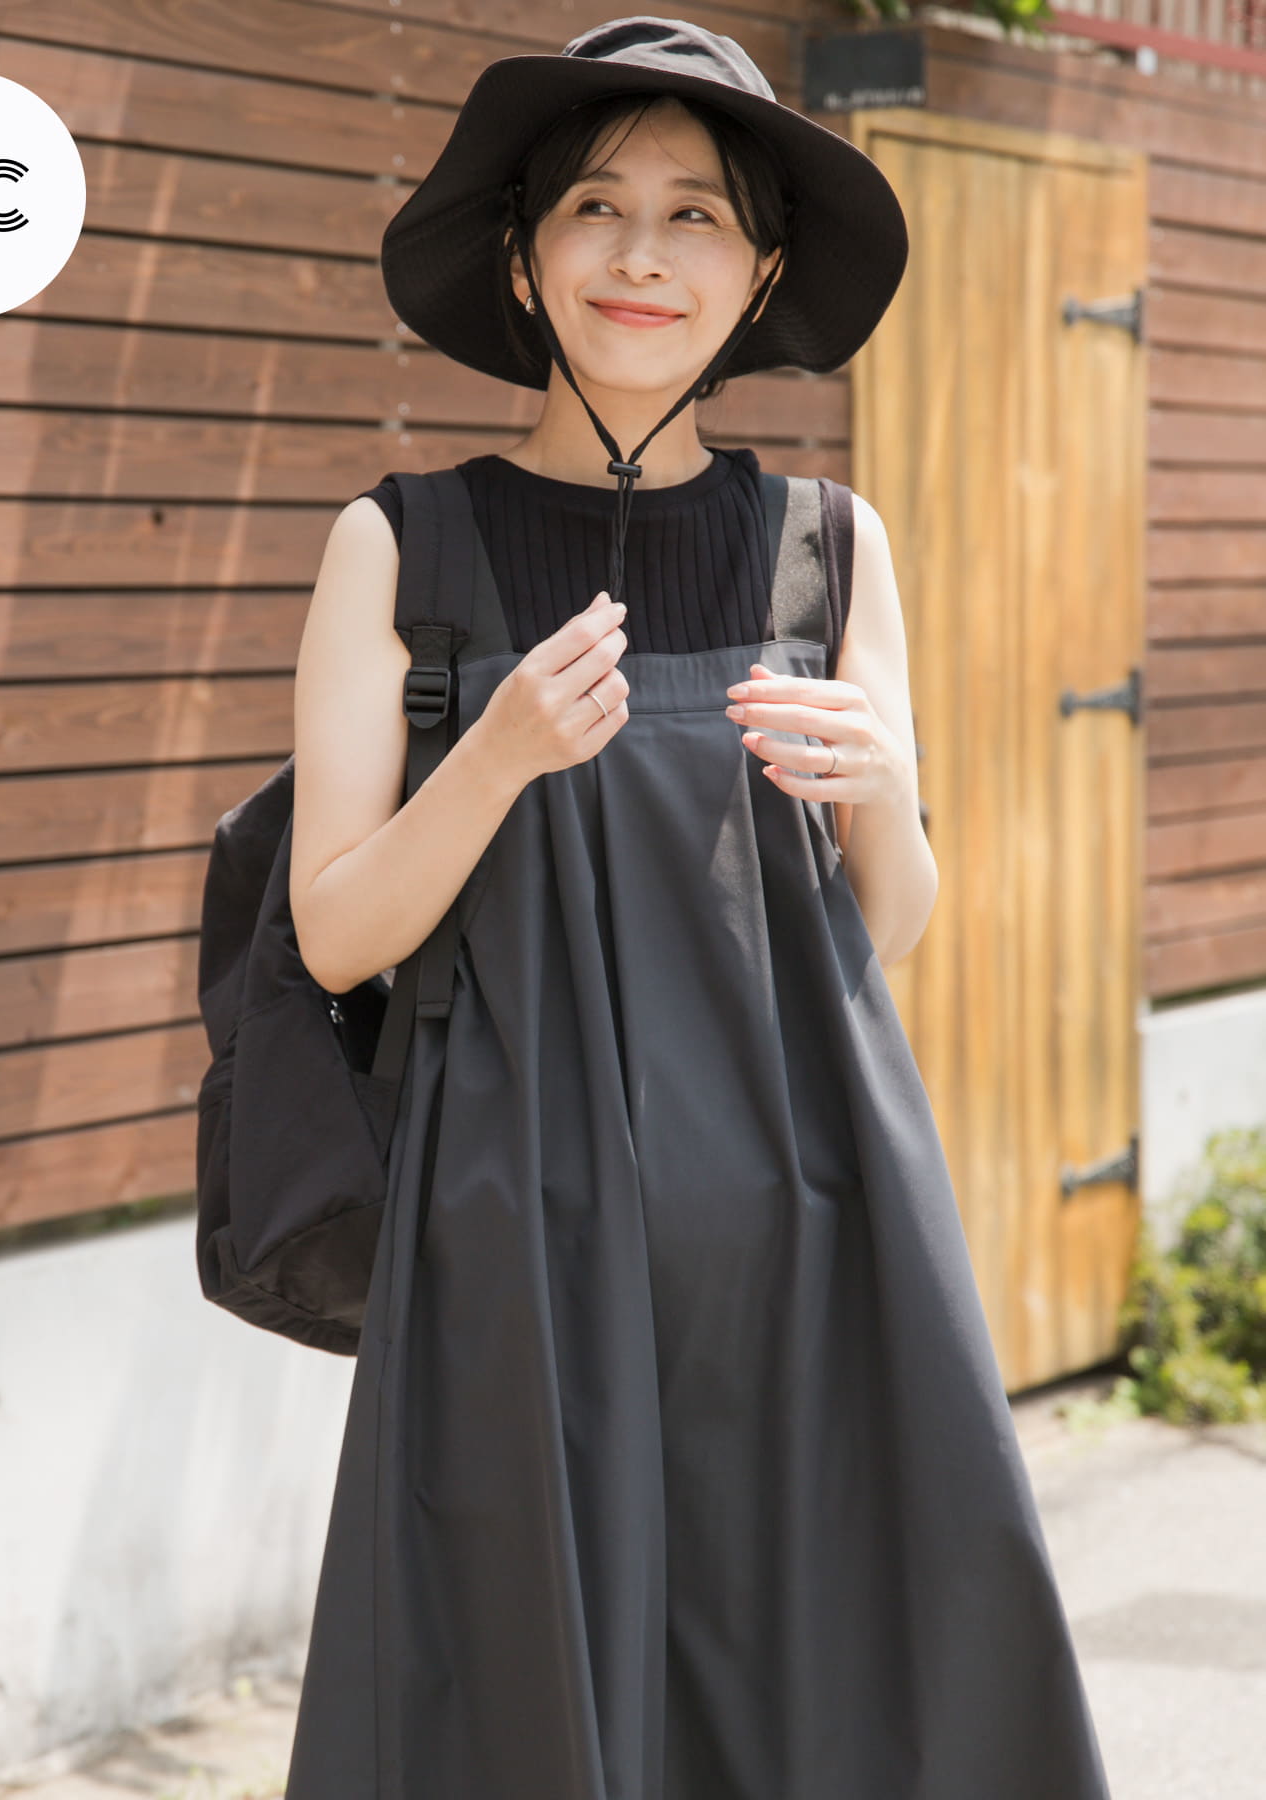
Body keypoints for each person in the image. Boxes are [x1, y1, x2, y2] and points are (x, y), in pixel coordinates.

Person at [284, 17, 1112, 1799]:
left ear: (762, 278)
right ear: (524, 258)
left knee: (825, 1683)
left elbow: (890, 920)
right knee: (523, 1689)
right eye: (595, 205)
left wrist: (879, 779)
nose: (642, 254)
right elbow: (337, 932)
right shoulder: (402, 543)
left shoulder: (829, 541)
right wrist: (497, 757)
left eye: (697, 216)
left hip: (808, 1222)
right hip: (520, 1233)